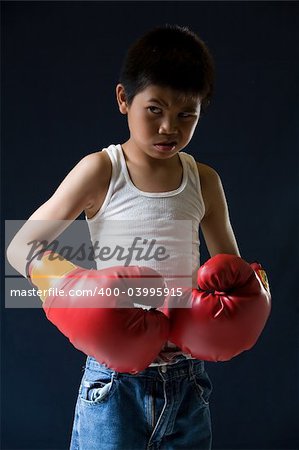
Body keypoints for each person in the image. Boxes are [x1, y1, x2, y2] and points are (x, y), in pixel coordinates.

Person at [6, 25, 271, 450]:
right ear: (123, 100)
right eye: (155, 110)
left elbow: (232, 274)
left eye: (187, 114)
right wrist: (74, 290)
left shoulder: (204, 179)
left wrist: (243, 306)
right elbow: (19, 246)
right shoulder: (101, 170)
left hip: (187, 381)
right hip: (114, 382)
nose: (170, 127)